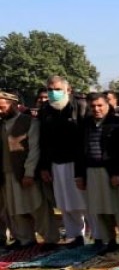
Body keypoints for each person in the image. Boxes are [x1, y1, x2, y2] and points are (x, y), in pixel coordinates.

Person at [75, 94, 119, 254]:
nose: (96, 109)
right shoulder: (85, 124)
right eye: (93, 106)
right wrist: (79, 175)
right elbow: (79, 152)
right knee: (100, 209)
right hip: (92, 171)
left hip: (113, 173)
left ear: (107, 104)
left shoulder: (118, 123)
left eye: (100, 105)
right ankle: (110, 241)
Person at [0, 92, 59, 248]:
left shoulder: (30, 122)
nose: (0, 111)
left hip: (26, 174)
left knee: (38, 207)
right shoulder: (1, 124)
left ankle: (50, 239)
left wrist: (29, 172)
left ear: (13, 104)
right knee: (15, 210)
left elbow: (34, 150)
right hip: (7, 174)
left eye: (2, 107)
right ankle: (25, 240)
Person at [38, 75, 90, 247]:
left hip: (77, 162)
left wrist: (82, 167)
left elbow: (85, 138)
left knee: (84, 201)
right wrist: (44, 166)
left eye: (58, 89)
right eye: (50, 90)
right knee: (65, 202)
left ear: (68, 90)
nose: (54, 93)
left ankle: (98, 235)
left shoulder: (80, 106)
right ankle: (74, 236)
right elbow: (43, 141)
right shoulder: (45, 109)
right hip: (56, 163)